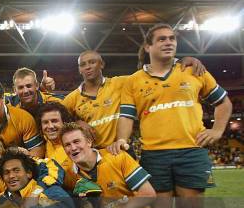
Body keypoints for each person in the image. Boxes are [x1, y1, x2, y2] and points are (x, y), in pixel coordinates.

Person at [110, 23, 232, 208]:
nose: (169, 42)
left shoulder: (192, 70)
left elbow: (223, 102)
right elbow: (127, 116)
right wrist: (122, 138)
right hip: (155, 154)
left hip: (191, 152)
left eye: (172, 38)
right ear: (148, 47)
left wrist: (218, 130)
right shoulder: (134, 81)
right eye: (162, 39)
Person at [63, 50, 206, 149]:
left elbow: (151, 72)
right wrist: (77, 122)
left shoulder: (122, 83)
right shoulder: (72, 98)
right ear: (79, 69)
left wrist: (180, 62)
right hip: (93, 153)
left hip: (121, 149)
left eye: (92, 62)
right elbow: (56, 118)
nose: (88, 67)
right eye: (83, 64)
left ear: (102, 64)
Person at [37, 102, 73, 168]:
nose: (50, 126)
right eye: (45, 122)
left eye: (54, 121)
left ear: (64, 122)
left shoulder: (74, 146)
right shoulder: (46, 140)